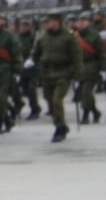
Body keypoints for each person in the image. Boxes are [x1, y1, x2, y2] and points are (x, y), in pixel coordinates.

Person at [33, 12, 78, 144]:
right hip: (47, 74)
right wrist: (32, 62)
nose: (46, 24)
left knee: (57, 100)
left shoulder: (68, 37)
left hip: (62, 73)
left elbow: (76, 57)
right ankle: (61, 125)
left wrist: (76, 75)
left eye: (48, 22)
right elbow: (36, 54)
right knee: (50, 102)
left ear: (57, 21)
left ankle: (59, 129)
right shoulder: (43, 38)